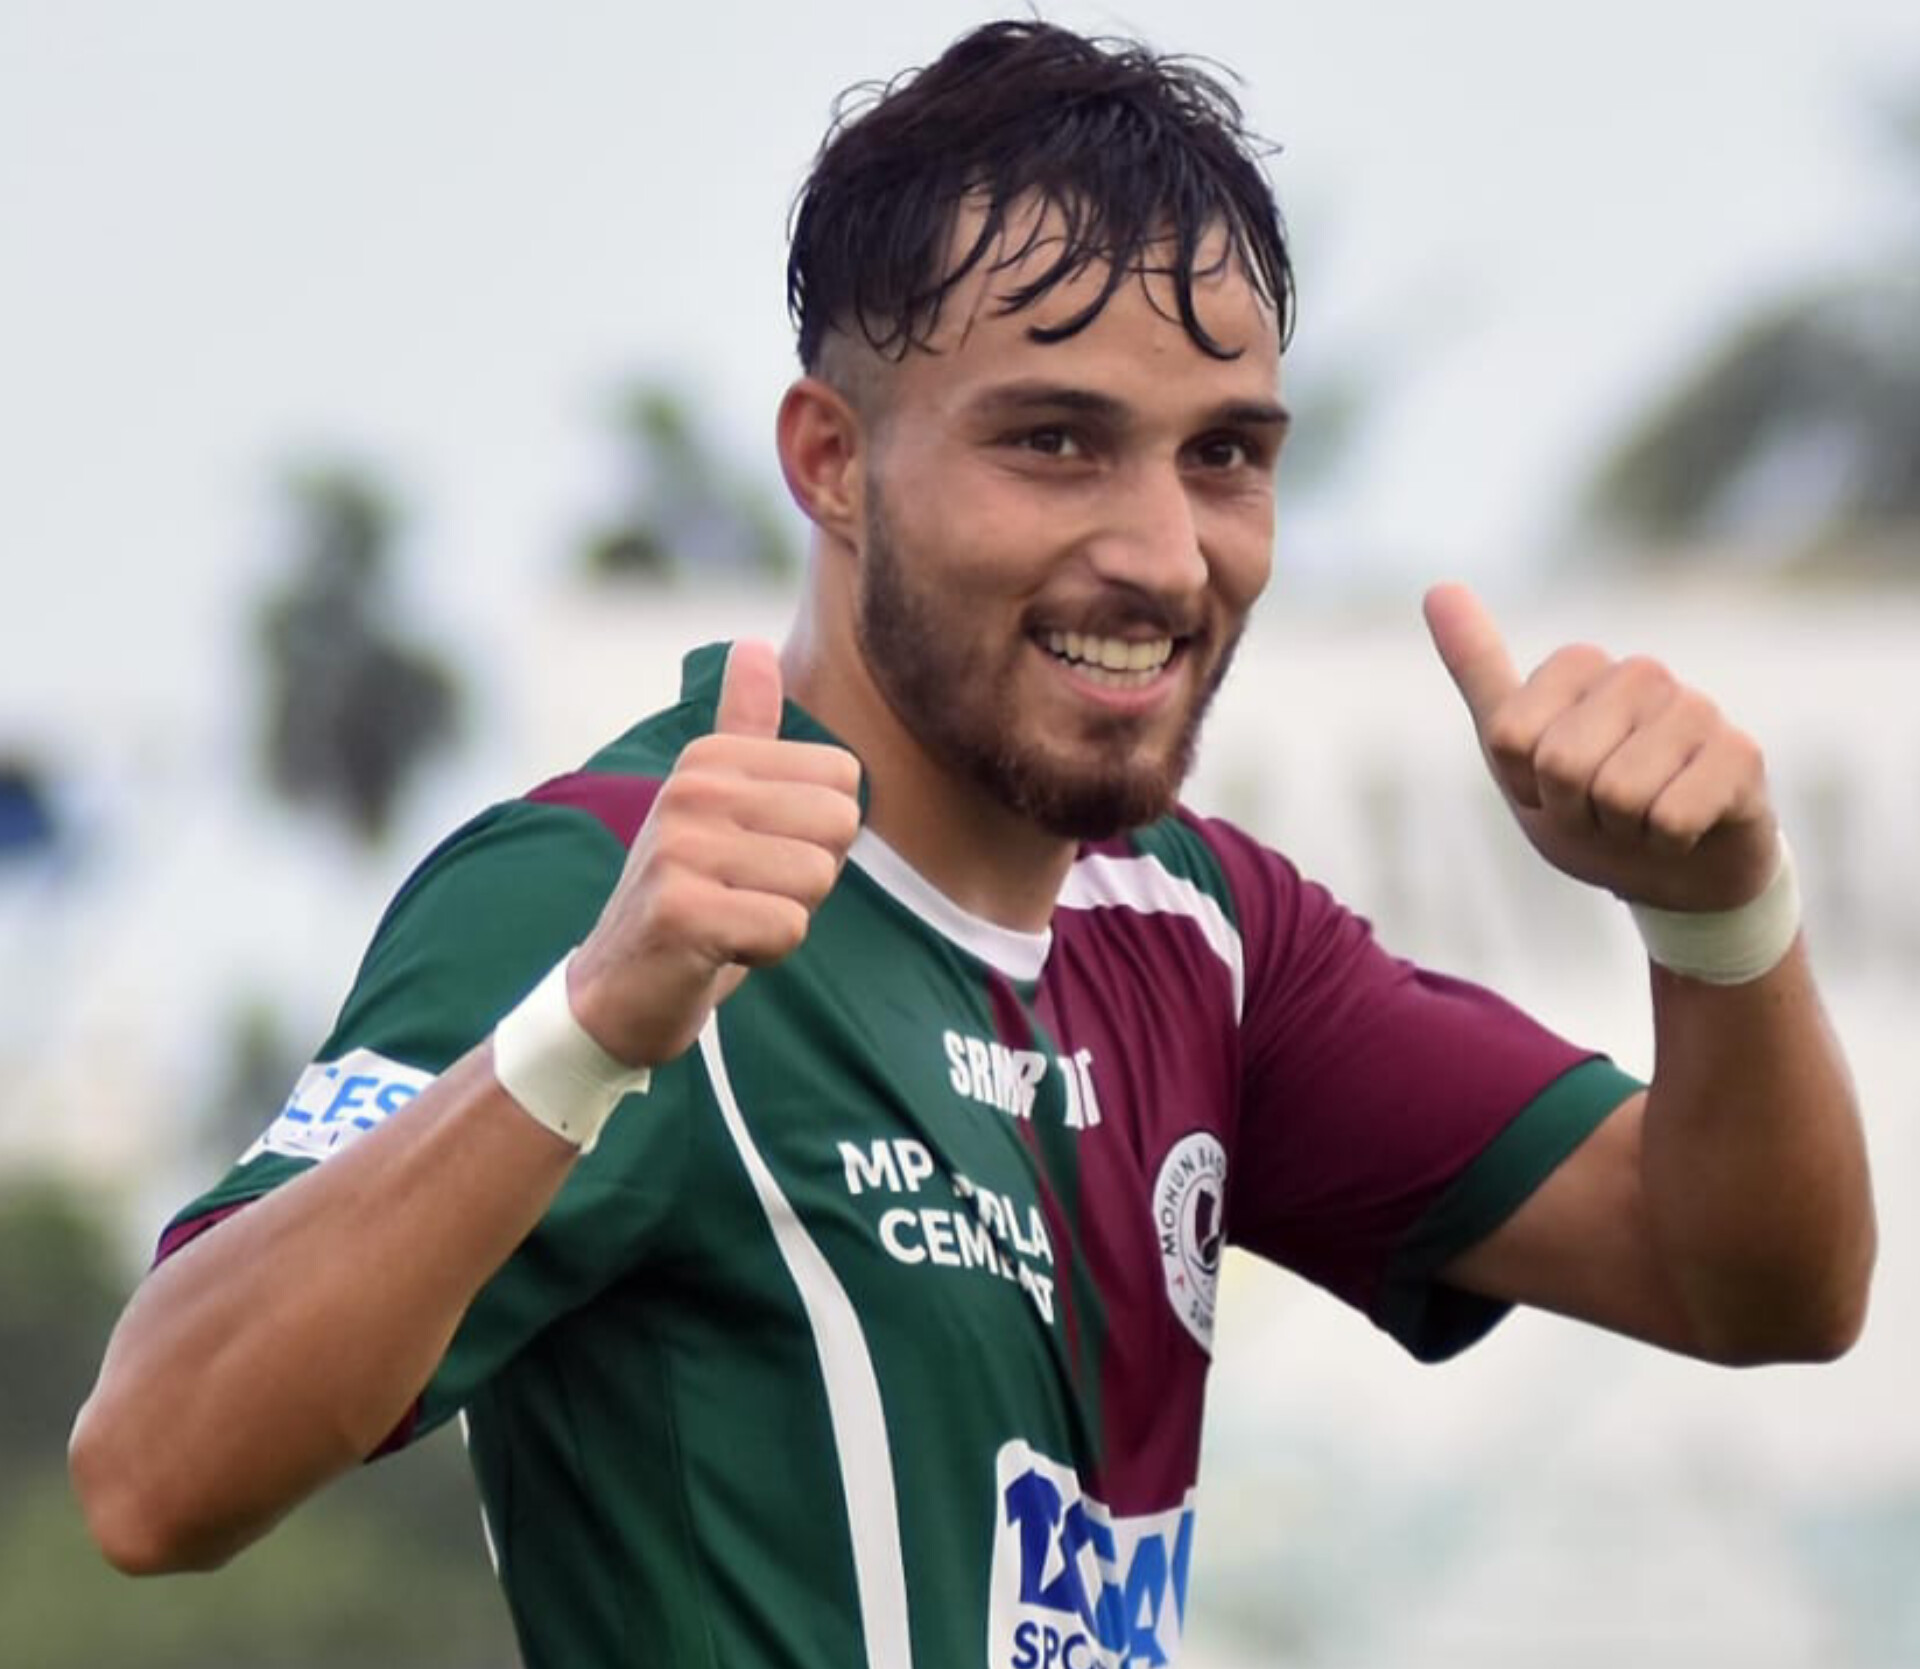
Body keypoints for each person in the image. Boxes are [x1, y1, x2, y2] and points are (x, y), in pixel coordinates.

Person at [71, 19, 1874, 1669]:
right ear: (831, 461)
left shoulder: (1206, 930)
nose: (1164, 555)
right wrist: (594, 1025)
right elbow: (152, 1475)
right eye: (1056, 442)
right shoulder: (610, 890)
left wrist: (1718, 915)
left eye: (1226, 456)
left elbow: (1752, 1278)